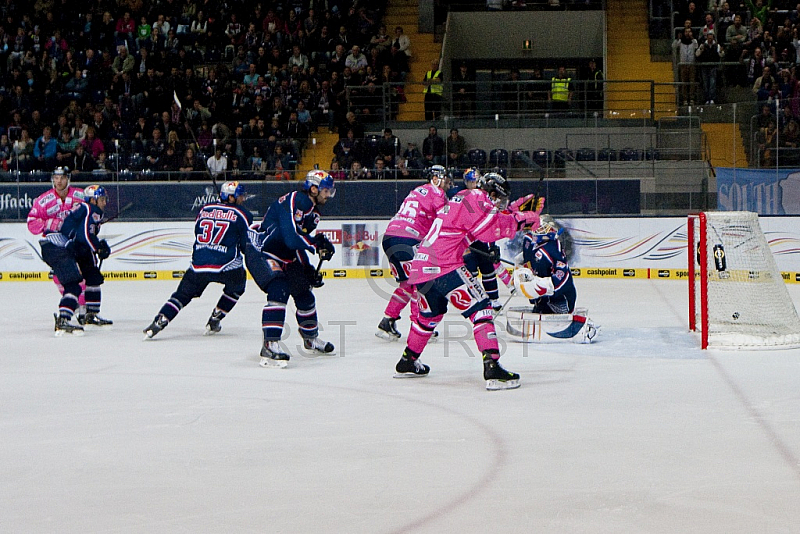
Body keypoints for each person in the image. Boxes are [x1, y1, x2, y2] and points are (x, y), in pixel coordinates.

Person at [396, 172, 543, 390]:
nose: (499, 204)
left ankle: (408, 360)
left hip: (422, 267)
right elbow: (489, 229)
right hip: (444, 265)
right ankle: (492, 366)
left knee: (429, 316)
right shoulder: (478, 198)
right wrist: (521, 221)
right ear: (492, 193)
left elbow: (483, 220)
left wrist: (512, 212)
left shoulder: (463, 197)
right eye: (500, 199)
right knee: (482, 310)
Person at [245, 170, 337, 368]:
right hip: (261, 251)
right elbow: (291, 237)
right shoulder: (294, 199)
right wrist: (314, 244)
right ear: (313, 189)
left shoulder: (313, 212)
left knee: (304, 293)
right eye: (326, 191)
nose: (328, 195)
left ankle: (310, 338)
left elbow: (296, 243)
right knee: (279, 289)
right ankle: (270, 344)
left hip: (284, 254)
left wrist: (308, 268)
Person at [144, 182, 253, 339]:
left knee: (181, 295)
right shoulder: (243, 214)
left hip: (199, 264)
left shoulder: (204, 209)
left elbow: (198, 231)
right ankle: (216, 317)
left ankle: (159, 321)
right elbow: (245, 243)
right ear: (230, 197)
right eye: (240, 196)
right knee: (237, 286)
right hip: (226, 265)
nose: (242, 199)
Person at [377, 165, 451, 340]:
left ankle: (387, 321)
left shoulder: (416, 191)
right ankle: (419, 325)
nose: (448, 184)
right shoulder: (438, 193)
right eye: (445, 179)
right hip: (408, 240)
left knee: (407, 285)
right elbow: (444, 222)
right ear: (435, 179)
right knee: (420, 284)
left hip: (390, 237)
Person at [39, 184, 113, 335]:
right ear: (93, 200)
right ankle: (63, 320)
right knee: (73, 285)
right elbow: (84, 235)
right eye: (102, 199)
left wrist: (96, 245)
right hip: (57, 249)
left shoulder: (88, 209)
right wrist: (98, 247)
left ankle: (90, 315)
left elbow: (82, 235)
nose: (105, 202)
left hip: (69, 247)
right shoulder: (89, 209)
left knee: (93, 275)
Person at [27, 166, 88, 321]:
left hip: (77, 242)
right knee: (62, 277)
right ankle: (73, 303)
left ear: (68, 178)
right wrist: (49, 225)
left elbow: (91, 213)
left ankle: (82, 307)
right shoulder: (44, 200)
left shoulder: (80, 195)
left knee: (83, 273)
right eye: (56, 178)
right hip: (55, 246)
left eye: (62, 178)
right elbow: (31, 221)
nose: (59, 181)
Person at [451, 168, 515, 311]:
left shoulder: (482, 197)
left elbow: (489, 224)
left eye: (475, 182)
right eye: (470, 182)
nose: (472, 185)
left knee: (488, 268)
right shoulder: (461, 195)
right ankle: (477, 299)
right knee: (470, 270)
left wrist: (492, 245)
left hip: (478, 240)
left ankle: (494, 299)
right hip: (464, 241)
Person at [696, 31, 724, 104]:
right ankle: (706, 98)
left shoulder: (716, 45)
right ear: (707, 37)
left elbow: (721, 55)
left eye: (711, 37)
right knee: (705, 83)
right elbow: (697, 54)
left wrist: (721, 51)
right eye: (709, 37)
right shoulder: (703, 45)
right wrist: (701, 50)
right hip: (704, 66)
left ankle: (712, 98)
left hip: (713, 66)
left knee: (712, 83)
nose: (710, 38)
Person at [673, 27, 699, 105]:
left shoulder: (694, 41)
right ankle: (684, 99)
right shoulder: (680, 42)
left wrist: (692, 38)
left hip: (691, 64)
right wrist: (678, 38)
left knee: (692, 82)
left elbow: (696, 46)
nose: (687, 33)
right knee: (684, 82)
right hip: (683, 64)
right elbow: (674, 46)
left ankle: (691, 98)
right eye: (686, 32)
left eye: (689, 32)